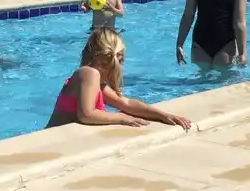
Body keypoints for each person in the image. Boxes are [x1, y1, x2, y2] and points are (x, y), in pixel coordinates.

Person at [47, 28, 192, 130]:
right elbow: (86, 114)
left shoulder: (95, 81)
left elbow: (126, 103)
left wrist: (162, 115)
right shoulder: (89, 73)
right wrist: (121, 118)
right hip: (50, 140)